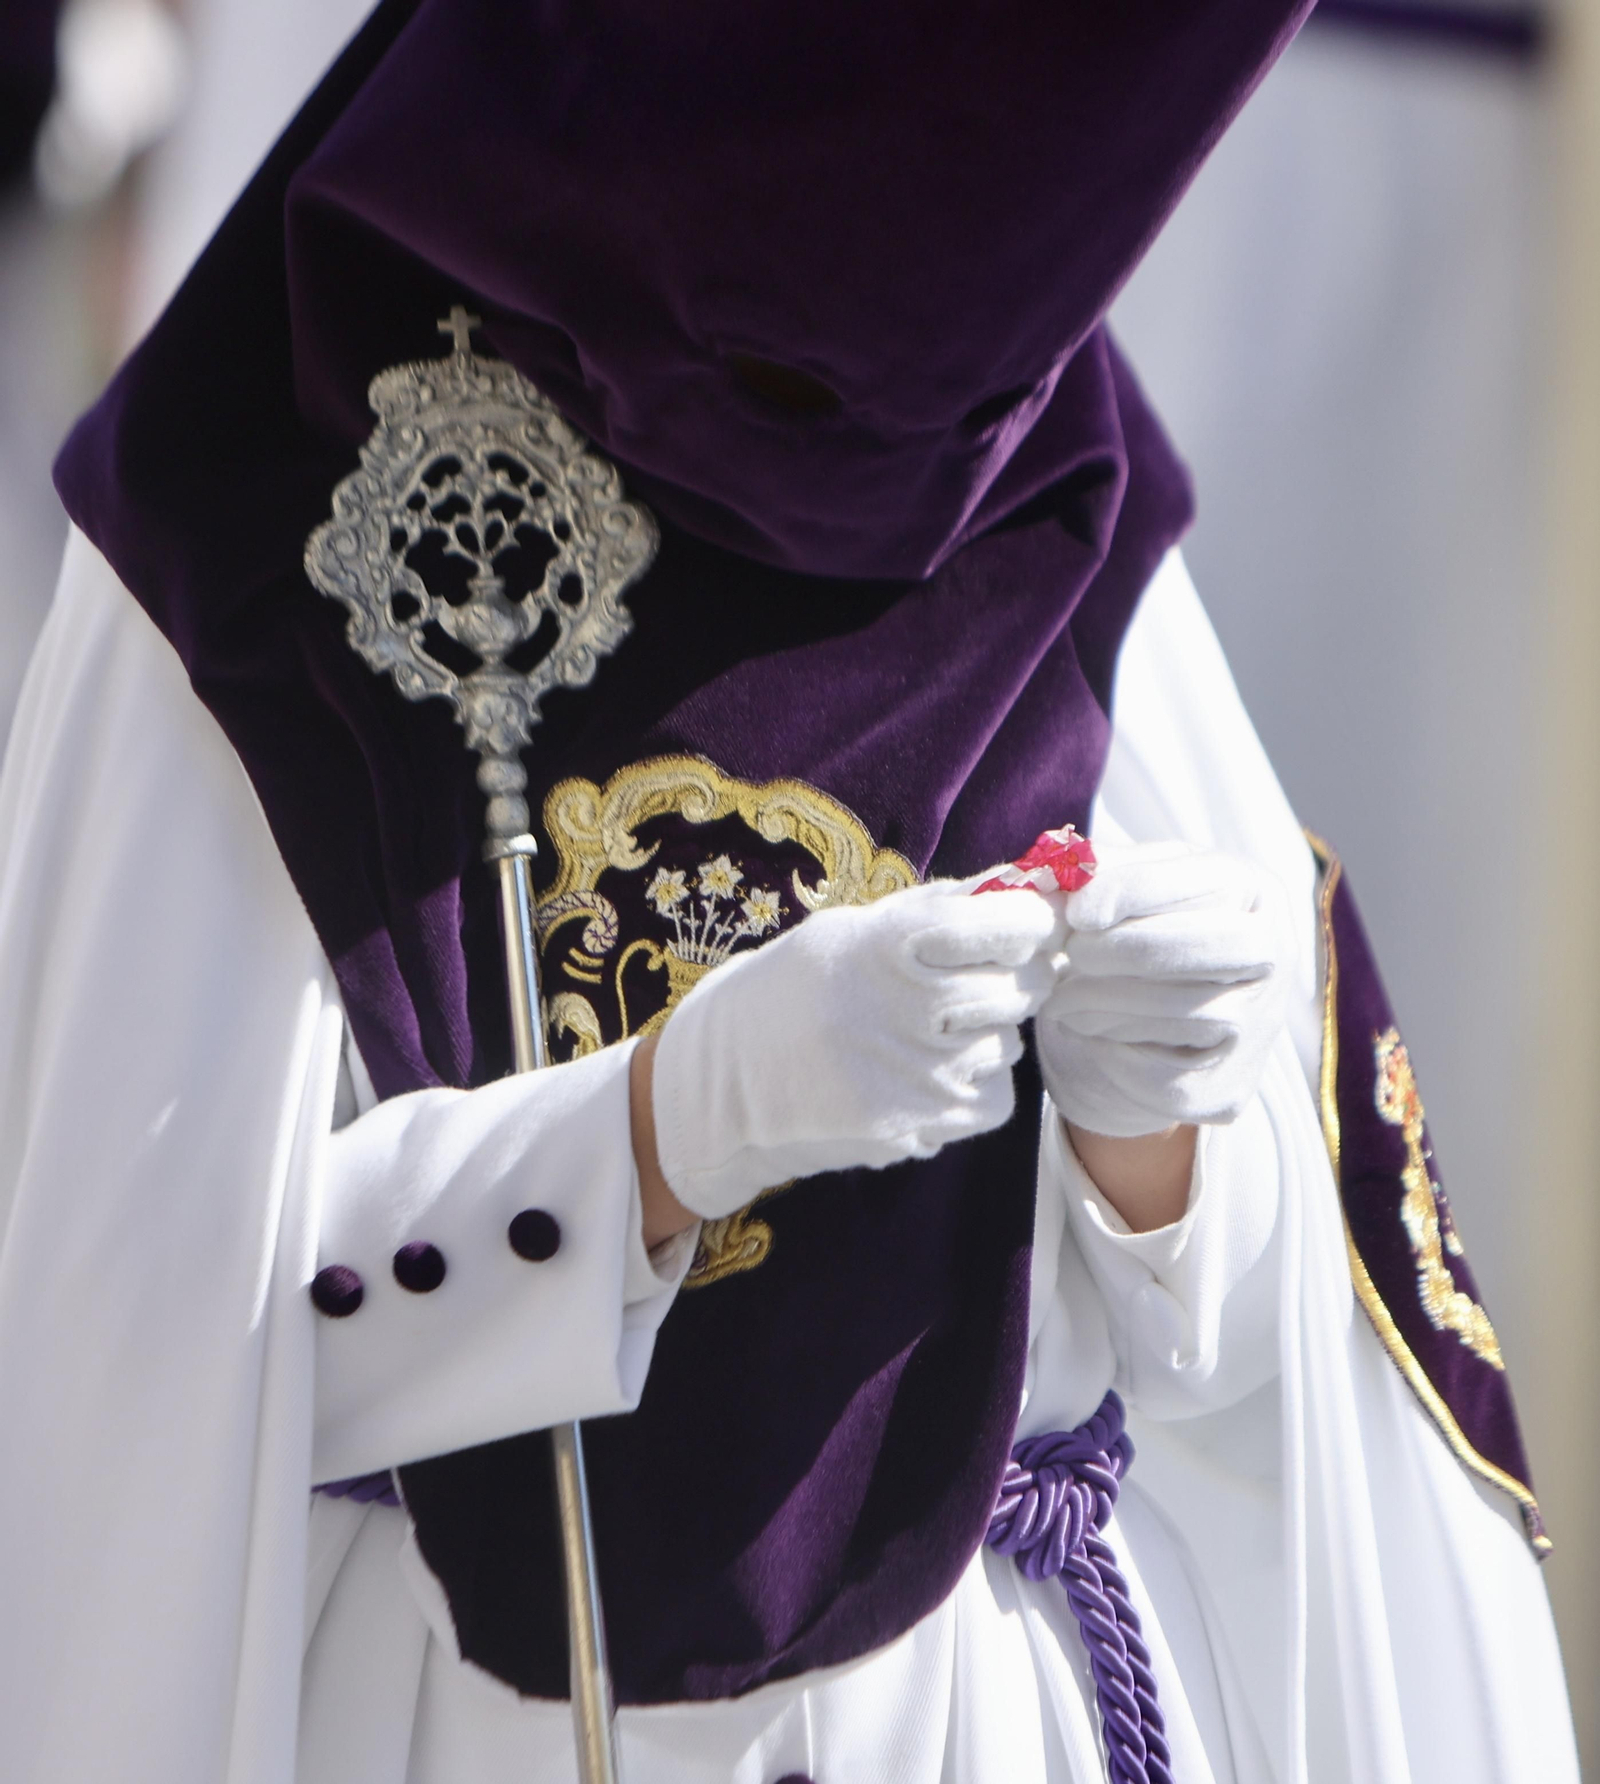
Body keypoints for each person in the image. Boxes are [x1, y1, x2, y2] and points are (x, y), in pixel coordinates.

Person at [0, 2, 1578, 1780]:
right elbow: (143, 1360)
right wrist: (666, 1134)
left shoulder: (1047, 472)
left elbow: (1260, 1360)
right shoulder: (250, 495)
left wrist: (1164, 1138)